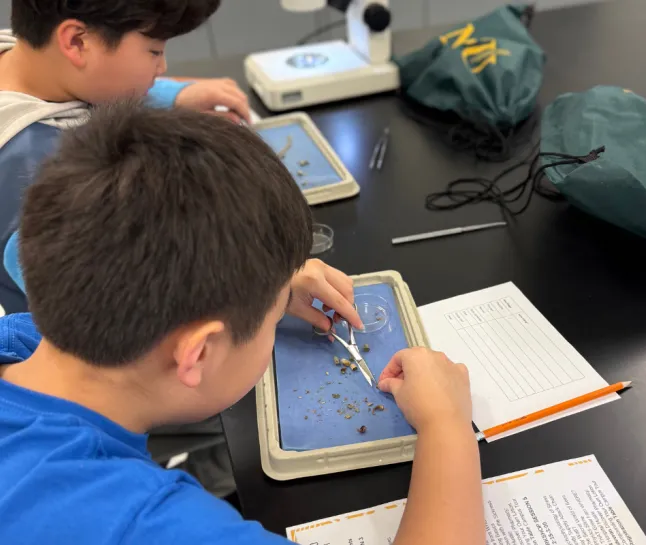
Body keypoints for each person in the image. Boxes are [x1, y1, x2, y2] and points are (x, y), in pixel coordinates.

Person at [0, 101, 484, 545]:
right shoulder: (144, 525)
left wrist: (263, 283)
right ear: (199, 353)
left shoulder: (20, 341)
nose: (277, 322)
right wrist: (446, 426)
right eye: (274, 319)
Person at [0, 0, 251, 315]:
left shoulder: (21, 52)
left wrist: (169, 95)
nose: (162, 68)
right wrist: (260, 287)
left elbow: (80, 82)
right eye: (154, 52)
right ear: (77, 41)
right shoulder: (38, 176)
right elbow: (118, 308)